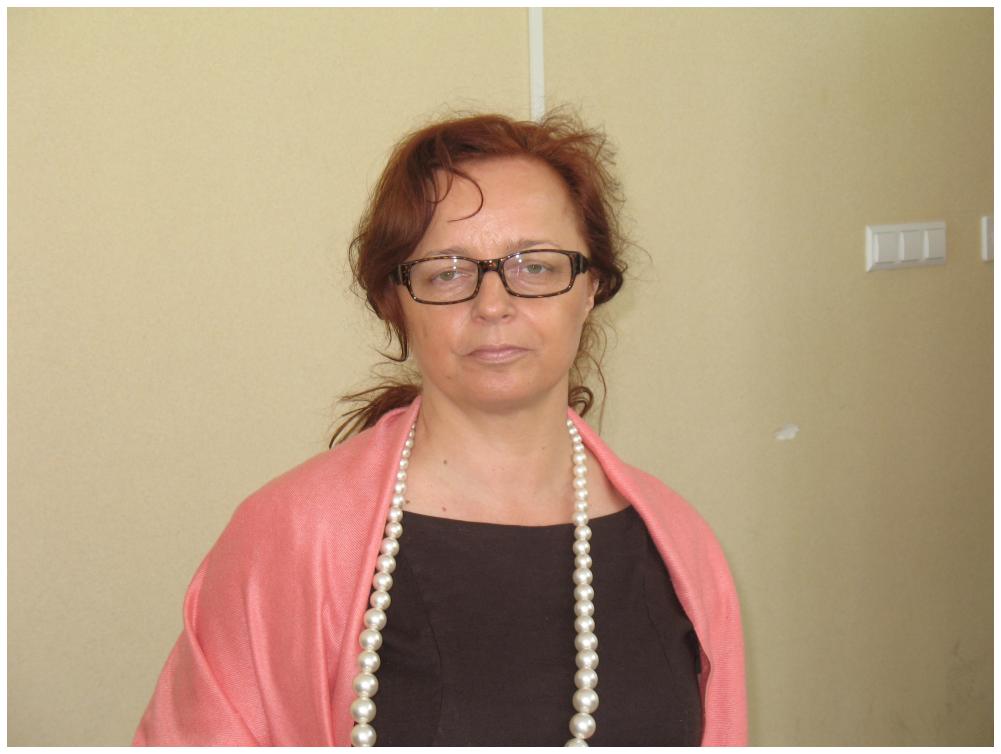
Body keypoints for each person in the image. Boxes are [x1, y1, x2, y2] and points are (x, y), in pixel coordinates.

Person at [133, 110, 747, 746]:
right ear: (396, 301)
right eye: (447, 271)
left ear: (590, 286)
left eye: (536, 266)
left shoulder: (682, 548)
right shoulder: (288, 537)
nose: (493, 305)